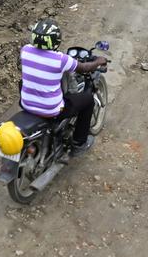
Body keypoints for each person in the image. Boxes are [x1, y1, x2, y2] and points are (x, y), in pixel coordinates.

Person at [20, 19, 108, 155]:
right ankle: (79, 143)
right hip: (52, 109)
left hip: (26, 104)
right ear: (56, 40)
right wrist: (98, 61)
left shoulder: (25, 51)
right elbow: (84, 68)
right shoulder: (60, 59)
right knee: (88, 100)